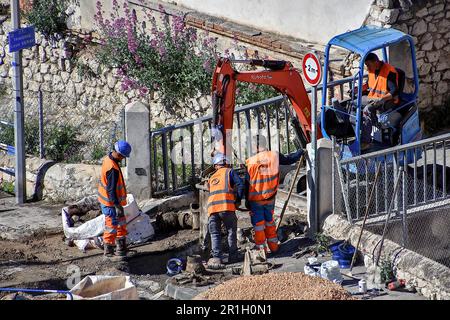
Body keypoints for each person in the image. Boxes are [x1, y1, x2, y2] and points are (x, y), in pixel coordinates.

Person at [245, 134, 303, 253]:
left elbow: (247, 184)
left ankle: (261, 250)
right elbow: (289, 159)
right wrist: (300, 152)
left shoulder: (250, 162)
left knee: (259, 225)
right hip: (270, 198)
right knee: (269, 222)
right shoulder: (274, 155)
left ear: (256, 146)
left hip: (255, 200)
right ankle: (274, 247)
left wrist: (245, 201)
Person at [206, 153, 244, 268]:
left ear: (216, 165)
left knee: (215, 234)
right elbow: (240, 184)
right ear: (226, 163)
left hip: (212, 209)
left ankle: (217, 258)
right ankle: (233, 256)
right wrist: (237, 199)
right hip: (226, 207)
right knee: (231, 231)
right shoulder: (229, 172)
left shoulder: (211, 178)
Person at [97, 140, 132, 259]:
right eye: (122, 156)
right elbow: (111, 191)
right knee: (111, 227)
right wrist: (117, 206)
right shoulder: (112, 169)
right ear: (118, 153)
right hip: (110, 203)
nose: (123, 158)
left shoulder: (109, 159)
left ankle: (121, 248)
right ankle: (108, 253)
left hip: (111, 202)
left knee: (121, 223)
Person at [360, 53, 399, 145]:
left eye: (368, 65)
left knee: (367, 110)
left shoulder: (389, 72)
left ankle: (365, 142)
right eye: (366, 65)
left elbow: (394, 92)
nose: (367, 67)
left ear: (376, 62)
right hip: (373, 97)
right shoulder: (372, 70)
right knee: (353, 103)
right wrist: (358, 89)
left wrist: (382, 99)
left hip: (386, 100)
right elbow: (368, 85)